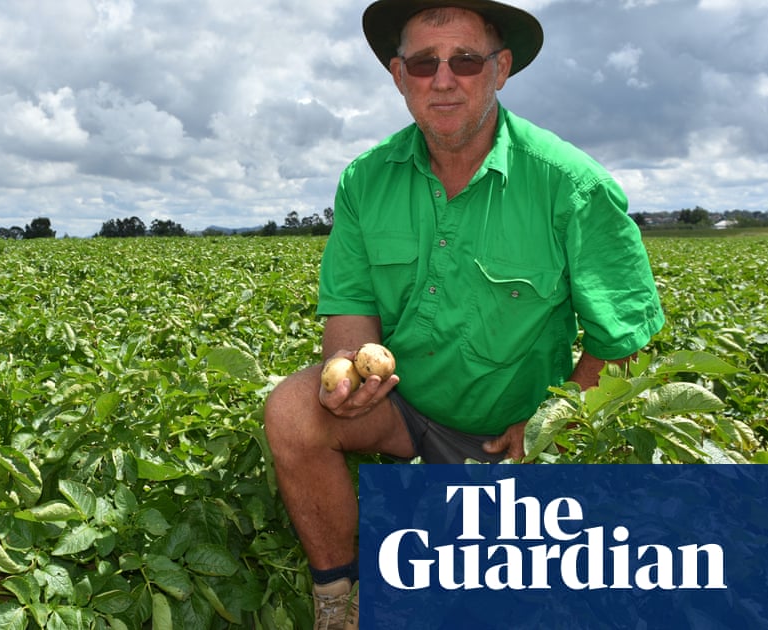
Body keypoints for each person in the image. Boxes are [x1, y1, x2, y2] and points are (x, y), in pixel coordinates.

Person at [262, 1, 666, 628]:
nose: (443, 79)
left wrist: (551, 422)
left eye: (466, 60)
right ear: (399, 76)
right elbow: (350, 311)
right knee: (292, 410)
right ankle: (340, 598)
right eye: (424, 63)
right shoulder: (365, 180)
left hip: (512, 436)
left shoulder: (570, 184)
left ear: (500, 69)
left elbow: (621, 335)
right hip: (402, 408)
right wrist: (346, 370)